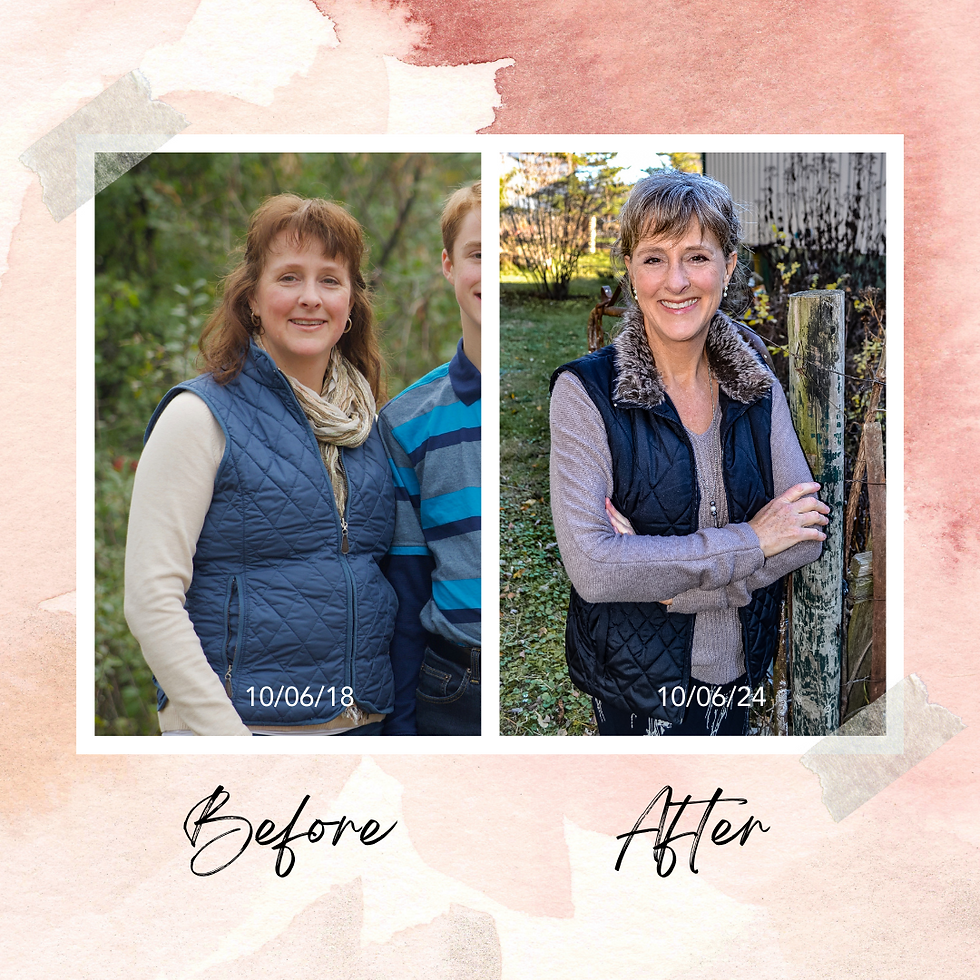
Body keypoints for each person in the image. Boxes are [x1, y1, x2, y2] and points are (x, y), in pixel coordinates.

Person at [549, 169, 830, 736]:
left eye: (696, 257)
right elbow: (595, 570)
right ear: (630, 270)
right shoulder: (585, 394)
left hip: (740, 677)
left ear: (728, 267)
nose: (675, 281)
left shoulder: (754, 382)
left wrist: (673, 584)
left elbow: (802, 535)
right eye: (654, 258)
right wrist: (753, 539)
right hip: (633, 681)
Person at [124, 194, 397, 735]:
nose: (311, 299)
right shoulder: (198, 416)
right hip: (240, 730)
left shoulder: (366, 425)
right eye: (289, 277)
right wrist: (231, 745)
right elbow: (150, 600)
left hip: (356, 726)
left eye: (330, 280)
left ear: (351, 306)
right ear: (252, 299)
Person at [379, 181, 481, 735]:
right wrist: (401, 730)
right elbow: (408, 586)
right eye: (477, 253)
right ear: (448, 266)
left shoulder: (575, 400)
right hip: (452, 690)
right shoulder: (406, 421)